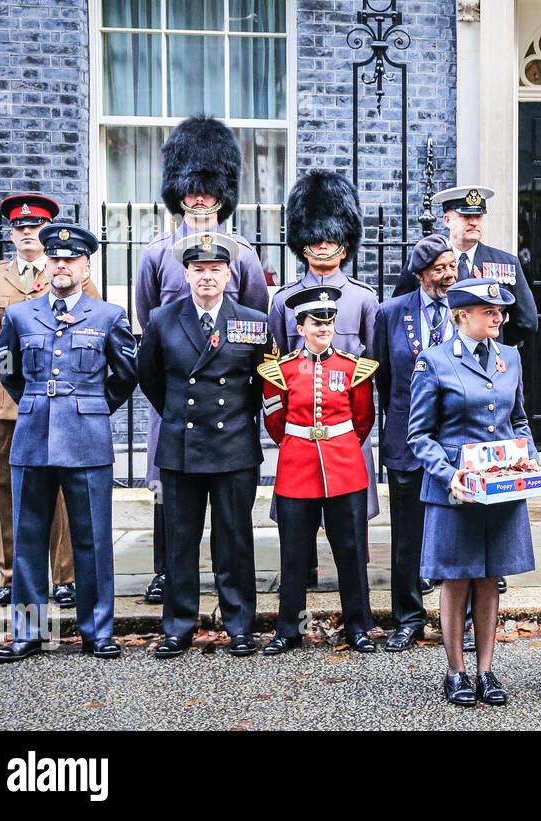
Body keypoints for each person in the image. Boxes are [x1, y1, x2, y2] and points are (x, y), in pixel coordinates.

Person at [136, 116, 269, 606]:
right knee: (167, 490)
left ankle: (230, 588)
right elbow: (147, 329)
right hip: (177, 397)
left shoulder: (245, 257)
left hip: (226, 401)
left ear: (221, 195)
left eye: (208, 191)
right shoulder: (155, 255)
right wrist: (170, 396)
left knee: (227, 510)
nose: (199, 200)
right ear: (180, 193)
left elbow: (257, 325)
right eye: (191, 191)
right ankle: (165, 572)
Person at [0, 224, 138, 661]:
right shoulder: (20, 316)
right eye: (55, 258)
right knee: (28, 538)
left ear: (86, 265)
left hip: (86, 440)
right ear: (47, 264)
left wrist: (91, 406)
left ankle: (97, 630)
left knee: (92, 538)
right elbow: (9, 372)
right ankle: (28, 632)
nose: (62, 265)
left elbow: (126, 375)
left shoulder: (108, 316)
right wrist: (38, 403)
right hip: (33, 437)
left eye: (71, 259)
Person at [137, 232, 274, 659]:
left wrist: (234, 416)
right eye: (199, 270)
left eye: (215, 269)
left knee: (234, 540)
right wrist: (179, 415)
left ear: (229, 274)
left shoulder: (253, 321)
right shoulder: (162, 319)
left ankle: (239, 625)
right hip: (182, 445)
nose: (207, 277)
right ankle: (178, 626)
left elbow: (261, 383)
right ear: (187, 274)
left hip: (233, 445)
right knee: (180, 541)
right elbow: (151, 378)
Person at [407, 277, 536, 707]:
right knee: (456, 578)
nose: (498, 317)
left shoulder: (511, 358)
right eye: (488, 311)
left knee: (488, 577)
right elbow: (419, 434)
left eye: (499, 311)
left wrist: (528, 456)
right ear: (462, 316)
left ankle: (486, 669)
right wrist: (449, 475)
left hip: (499, 485)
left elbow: (518, 420)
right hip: (455, 489)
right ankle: (455, 671)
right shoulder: (434, 361)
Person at [0, 194, 97, 610]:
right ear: (10, 233)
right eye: (20, 227)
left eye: (35, 227)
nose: (27, 233)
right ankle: (11, 577)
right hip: (9, 404)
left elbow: (93, 324)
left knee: (63, 492)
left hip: (62, 402)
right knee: (9, 491)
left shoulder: (69, 273)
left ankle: (64, 578)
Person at [270, 169, 381, 578]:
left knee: (350, 520)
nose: (322, 244)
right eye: (314, 237)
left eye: (331, 237)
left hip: (346, 424)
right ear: (302, 242)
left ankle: (353, 576)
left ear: (345, 241)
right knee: (299, 514)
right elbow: (276, 370)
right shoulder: (284, 301)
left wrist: (355, 429)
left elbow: (372, 363)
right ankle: (304, 568)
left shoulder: (364, 298)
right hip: (301, 425)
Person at [259, 287, 379, 655]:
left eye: (329, 322)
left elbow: (363, 420)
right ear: (300, 326)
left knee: (351, 551)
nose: (324, 328)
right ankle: (289, 630)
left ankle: (359, 627)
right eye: (316, 322)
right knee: (294, 555)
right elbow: (275, 422)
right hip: (297, 468)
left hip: (345, 468)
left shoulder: (352, 368)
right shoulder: (279, 370)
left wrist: (334, 443)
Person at [372, 233, 457, 652]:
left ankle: (458, 622)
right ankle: (408, 617)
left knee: (459, 532)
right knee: (407, 534)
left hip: (458, 442)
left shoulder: (467, 310)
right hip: (406, 439)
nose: (448, 275)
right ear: (421, 274)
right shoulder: (390, 313)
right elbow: (383, 380)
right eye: (439, 269)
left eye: (452, 267)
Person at [391, 185, 538, 352]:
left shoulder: (506, 262)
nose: (474, 222)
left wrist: (494, 340)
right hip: (434, 357)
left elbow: (527, 322)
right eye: (466, 216)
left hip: (483, 364)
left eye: (478, 216)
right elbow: (401, 310)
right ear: (447, 220)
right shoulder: (424, 261)